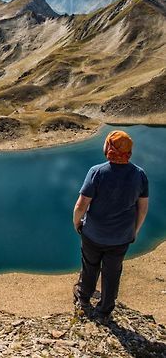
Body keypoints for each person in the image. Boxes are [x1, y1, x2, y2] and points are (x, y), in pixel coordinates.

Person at [72, 130, 149, 324]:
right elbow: (142, 209)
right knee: (113, 272)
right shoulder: (139, 175)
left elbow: (81, 205)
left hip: (93, 234)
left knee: (90, 266)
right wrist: (134, 231)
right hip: (121, 237)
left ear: (109, 148)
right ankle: (105, 309)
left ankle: (83, 298)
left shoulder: (97, 172)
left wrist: (77, 223)